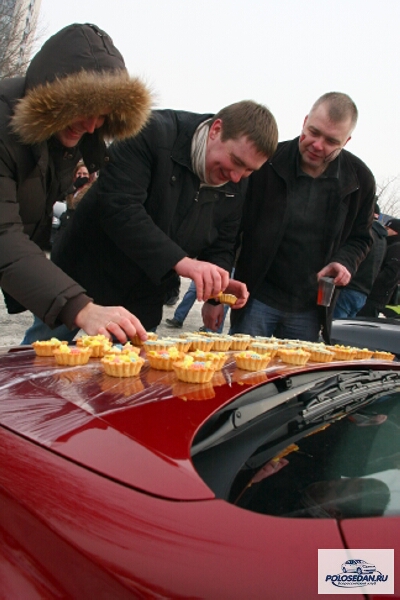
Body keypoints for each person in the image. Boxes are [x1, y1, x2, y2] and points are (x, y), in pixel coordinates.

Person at [49, 100, 279, 334]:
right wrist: (182, 262)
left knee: (134, 358)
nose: (237, 177)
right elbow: (119, 208)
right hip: (83, 277)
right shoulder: (149, 131)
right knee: (46, 355)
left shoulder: (237, 183)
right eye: (237, 162)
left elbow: (222, 243)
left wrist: (218, 288)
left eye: (249, 170)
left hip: (144, 297)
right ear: (216, 130)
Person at [0, 23, 152, 344]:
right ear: (53, 98)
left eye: (103, 115)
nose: (92, 125)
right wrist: (80, 308)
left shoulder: (63, 141)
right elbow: (3, 233)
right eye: (83, 110)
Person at [230, 92, 376, 342]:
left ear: (346, 141)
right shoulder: (268, 162)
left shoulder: (360, 179)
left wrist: (344, 262)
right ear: (305, 121)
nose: (317, 145)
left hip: (310, 307)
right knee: (241, 364)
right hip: (257, 296)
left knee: (298, 368)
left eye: (331, 141)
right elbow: (232, 226)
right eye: (314, 132)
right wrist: (216, 299)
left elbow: (361, 238)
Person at [333, 203, 387, 318]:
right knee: (346, 326)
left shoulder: (363, 235)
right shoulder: (382, 240)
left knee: (334, 324)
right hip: (363, 292)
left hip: (348, 287)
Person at [357, 218, 400, 318]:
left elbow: (391, 273)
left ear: (396, 232)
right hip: (372, 295)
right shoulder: (388, 245)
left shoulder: (396, 248)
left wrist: (371, 281)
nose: (385, 230)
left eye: (388, 228)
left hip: (375, 297)